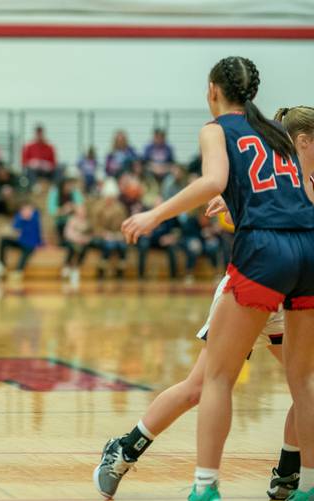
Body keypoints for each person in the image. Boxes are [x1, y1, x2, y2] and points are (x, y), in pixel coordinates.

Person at [95, 104, 314, 501]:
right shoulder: (271, 171)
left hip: (287, 298)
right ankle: (124, 450)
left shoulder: (299, 178)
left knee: (308, 387)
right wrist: (230, 205)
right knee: (199, 387)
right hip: (249, 288)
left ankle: (287, 472)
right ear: (301, 141)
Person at [0, 200, 44, 277]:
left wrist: (40, 244)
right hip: (21, 241)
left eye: (29, 209)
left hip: (31, 244)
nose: (27, 211)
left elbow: (37, 232)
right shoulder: (19, 217)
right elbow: (15, 230)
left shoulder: (35, 217)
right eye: (24, 209)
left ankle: (19, 270)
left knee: (27, 250)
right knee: (4, 241)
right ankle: (1, 264)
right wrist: (21, 218)